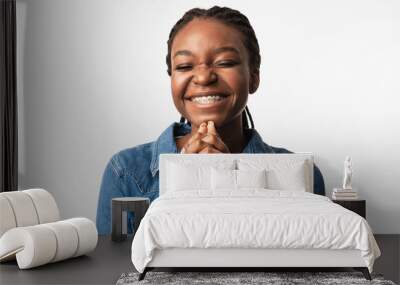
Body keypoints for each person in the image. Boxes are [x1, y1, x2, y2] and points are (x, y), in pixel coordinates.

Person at [96, 6, 325, 235]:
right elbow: (118, 268)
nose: (204, 77)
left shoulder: (301, 174)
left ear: (253, 77)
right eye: (185, 66)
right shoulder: (126, 171)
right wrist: (182, 180)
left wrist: (234, 185)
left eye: (225, 62)